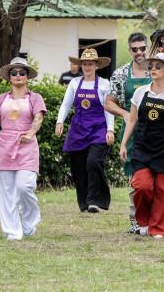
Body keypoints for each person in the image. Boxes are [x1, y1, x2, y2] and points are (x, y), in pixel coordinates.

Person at [119, 53, 164, 238]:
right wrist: (124, 144)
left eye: (158, 67)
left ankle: (157, 228)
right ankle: (144, 221)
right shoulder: (140, 92)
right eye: (151, 67)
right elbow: (132, 121)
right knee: (141, 186)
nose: (153, 70)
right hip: (142, 147)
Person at [0, 55, 46, 240]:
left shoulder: (35, 98)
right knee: (6, 193)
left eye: (22, 72)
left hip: (26, 146)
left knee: (24, 186)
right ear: (9, 77)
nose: (18, 75)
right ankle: (13, 232)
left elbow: (39, 117)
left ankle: (30, 221)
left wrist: (31, 133)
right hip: (4, 147)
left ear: (27, 76)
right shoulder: (0, 99)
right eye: (14, 72)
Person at [55, 49, 115, 213]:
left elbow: (108, 109)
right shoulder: (75, 83)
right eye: (85, 64)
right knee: (78, 167)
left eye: (90, 64)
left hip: (98, 130)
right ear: (81, 65)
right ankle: (84, 202)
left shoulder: (104, 84)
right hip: (78, 130)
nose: (87, 67)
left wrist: (110, 130)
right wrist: (60, 121)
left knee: (93, 162)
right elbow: (66, 104)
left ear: (96, 65)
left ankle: (95, 200)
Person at [105, 32, 151, 233]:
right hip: (133, 133)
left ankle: (155, 219)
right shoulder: (121, 74)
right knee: (136, 177)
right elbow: (109, 102)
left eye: (142, 48)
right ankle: (136, 220)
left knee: (157, 177)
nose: (139, 52)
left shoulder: (157, 70)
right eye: (135, 49)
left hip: (156, 131)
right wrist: (125, 114)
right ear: (129, 50)